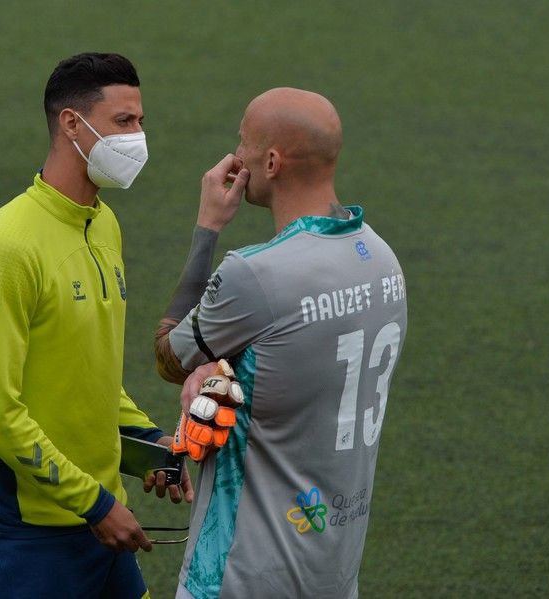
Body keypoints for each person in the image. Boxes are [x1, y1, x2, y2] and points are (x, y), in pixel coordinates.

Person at [153, 88, 408, 598]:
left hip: (242, 575)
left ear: (270, 162)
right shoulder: (384, 262)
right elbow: (289, 360)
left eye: (243, 143)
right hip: (333, 573)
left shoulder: (258, 274)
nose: (236, 155)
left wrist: (207, 228)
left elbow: (169, 355)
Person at [0, 52, 192, 599]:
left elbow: (88, 373)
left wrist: (147, 441)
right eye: (123, 122)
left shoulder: (104, 225)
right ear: (72, 123)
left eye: (140, 122)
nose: (138, 138)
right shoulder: (5, 248)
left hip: (103, 524)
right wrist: (93, 502)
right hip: (31, 540)